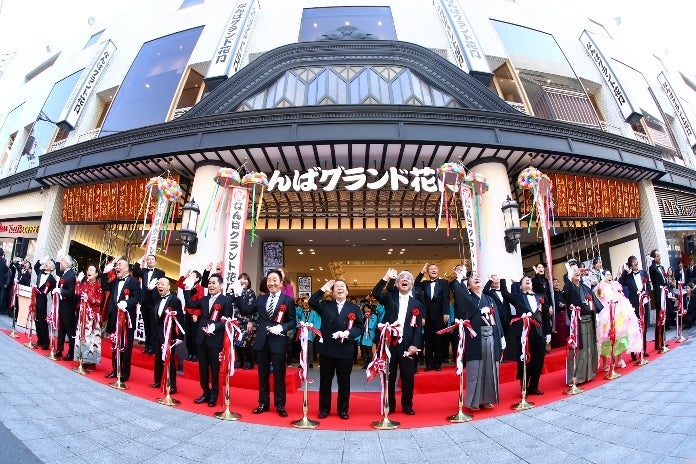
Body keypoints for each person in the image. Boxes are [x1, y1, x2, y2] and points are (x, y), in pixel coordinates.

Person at [235, 269, 296, 417]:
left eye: (275, 280)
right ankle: (263, 403)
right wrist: (237, 294)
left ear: (281, 283)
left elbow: (293, 321)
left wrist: (281, 327)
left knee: (279, 375)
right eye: (269, 280)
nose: (271, 283)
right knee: (262, 375)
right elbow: (245, 310)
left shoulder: (287, 301)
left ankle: (280, 405)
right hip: (261, 341)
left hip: (278, 342)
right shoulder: (261, 299)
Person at [308, 279, 363, 420]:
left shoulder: (354, 308)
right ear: (333, 291)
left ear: (347, 291)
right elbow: (312, 302)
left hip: (345, 350)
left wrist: (348, 334)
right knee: (325, 381)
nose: (339, 288)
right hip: (327, 349)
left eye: (342, 286)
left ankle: (343, 410)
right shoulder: (326, 305)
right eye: (337, 287)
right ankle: (324, 409)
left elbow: (359, 327)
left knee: (344, 382)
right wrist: (323, 288)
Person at [371, 268, 422, 415]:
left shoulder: (417, 304)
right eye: (402, 278)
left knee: (408, 377)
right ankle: (390, 405)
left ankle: (407, 405)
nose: (405, 279)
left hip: (408, 345)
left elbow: (418, 328)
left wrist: (414, 344)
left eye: (408, 278)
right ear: (398, 284)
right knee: (389, 376)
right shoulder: (390, 297)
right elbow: (375, 292)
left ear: (412, 285)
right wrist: (386, 277)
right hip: (389, 343)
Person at [451, 272, 504, 410]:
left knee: (491, 369)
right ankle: (474, 401)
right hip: (475, 337)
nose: (476, 278)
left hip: (492, 336)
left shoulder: (489, 298)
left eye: (478, 277)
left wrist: (502, 336)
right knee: (476, 370)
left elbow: (497, 319)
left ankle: (487, 399)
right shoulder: (467, 298)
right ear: (468, 286)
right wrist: (458, 279)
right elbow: (459, 292)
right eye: (472, 278)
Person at [183, 273, 233, 407]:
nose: (211, 285)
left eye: (214, 283)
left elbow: (227, 321)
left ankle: (214, 395)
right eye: (209, 283)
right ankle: (205, 392)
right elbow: (190, 303)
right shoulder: (204, 299)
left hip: (215, 341)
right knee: (203, 368)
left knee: (215, 369)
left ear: (221, 285)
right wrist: (187, 289)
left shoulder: (226, 301)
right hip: (201, 339)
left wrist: (215, 326)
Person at [500, 275, 550, 395]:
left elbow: (545, 317)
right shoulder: (518, 297)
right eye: (524, 280)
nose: (528, 280)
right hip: (525, 334)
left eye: (529, 280)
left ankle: (534, 386)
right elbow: (505, 293)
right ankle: (524, 388)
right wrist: (502, 279)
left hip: (539, 332)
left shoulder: (540, 297)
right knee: (525, 361)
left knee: (539, 361)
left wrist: (548, 332)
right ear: (521, 286)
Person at [102, 258, 142, 382]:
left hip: (127, 320)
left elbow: (138, 297)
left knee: (126, 346)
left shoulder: (134, 282)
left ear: (126, 268)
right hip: (115, 318)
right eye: (116, 265)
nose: (117, 267)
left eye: (119, 265)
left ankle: (124, 373)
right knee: (115, 345)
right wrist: (105, 272)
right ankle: (115, 370)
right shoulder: (115, 281)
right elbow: (105, 286)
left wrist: (127, 303)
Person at [563, 260, 602, 384]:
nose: (576, 272)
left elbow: (594, 302)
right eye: (573, 270)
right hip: (578, 322)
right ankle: (575, 378)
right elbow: (566, 298)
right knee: (580, 349)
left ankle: (589, 374)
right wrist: (569, 280)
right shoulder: (568, 287)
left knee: (590, 347)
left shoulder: (584, 287)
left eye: (577, 270)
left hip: (589, 320)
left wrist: (597, 313)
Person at [594, 270, 642, 370]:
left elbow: (621, 296)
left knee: (620, 336)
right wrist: (600, 289)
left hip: (618, 313)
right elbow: (600, 297)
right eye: (607, 275)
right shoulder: (600, 286)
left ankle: (619, 359)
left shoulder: (616, 284)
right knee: (605, 338)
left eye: (610, 274)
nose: (609, 276)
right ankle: (605, 363)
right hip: (606, 313)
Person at [150, 277, 184, 394]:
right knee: (158, 357)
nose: (160, 286)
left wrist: (180, 336)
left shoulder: (175, 300)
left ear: (169, 287)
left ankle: (172, 385)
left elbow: (180, 318)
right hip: (159, 332)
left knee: (169, 358)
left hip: (170, 333)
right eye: (158, 284)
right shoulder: (157, 299)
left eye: (163, 284)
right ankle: (158, 381)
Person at [414, 263, 450, 371]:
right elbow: (415, 283)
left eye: (435, 269)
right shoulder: (424, 283)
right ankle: (429, 364)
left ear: (437, 270)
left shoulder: (444, 282)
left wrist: (446, 312)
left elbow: (446, 298)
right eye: (431, 269)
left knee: (439, 340)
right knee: (428, 341)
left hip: (440, 315)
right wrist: (422, 271)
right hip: (427, 316)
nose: (433, 270)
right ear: (428, 272)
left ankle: (437, 364)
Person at [132, 255, 165, 355]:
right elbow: (135, 268)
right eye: (148, 260)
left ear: (156, 262)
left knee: (153, 326)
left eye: (152, 259)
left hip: (155, 302)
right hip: (144, 302)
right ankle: (147, 346)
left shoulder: (160, 273)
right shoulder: (144, 271)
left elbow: (162, 285)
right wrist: (141, 259)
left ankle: (153, 347)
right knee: (146, 325)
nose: (150, 261)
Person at [74, 264, 104, 365]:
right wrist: (78, 281)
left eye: (92, 270)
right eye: (88, 270)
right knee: (81, 335)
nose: (89, 272)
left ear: (96, 274)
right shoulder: (84, 283)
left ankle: (90, 361)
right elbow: (77, 293)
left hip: (92, 316)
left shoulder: (98, 286)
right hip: (82, 314)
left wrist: (89, 298)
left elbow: (99, 301)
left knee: (92, 338)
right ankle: (81, 358)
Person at [54, 255, 78, 361]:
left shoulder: (71, 276)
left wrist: (61, 290)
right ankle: (59, 350)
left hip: (68, 308)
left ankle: (71, 352)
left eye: (62, 262)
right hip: (62, 306)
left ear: (66, 263)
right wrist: (58, 258)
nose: (60, 264)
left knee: (69, 331)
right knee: (61, 330)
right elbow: (57, 270)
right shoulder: (64, 273)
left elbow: (71, 292)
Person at [177, 270, 204, 362]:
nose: (191, 276)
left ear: (197, 279)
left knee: (194, 335)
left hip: (195, 315)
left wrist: (196, 314)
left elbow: (200, 303)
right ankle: (190, 353)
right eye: (191, 275)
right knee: (188, 335)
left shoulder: (200, 288)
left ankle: (195, 354)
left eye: (193, 275)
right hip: (187, 313)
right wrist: (184, 276)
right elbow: (178, 284)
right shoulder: (187, 285)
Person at [233, 272, 257, 370]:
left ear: (248, 282)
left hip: (246, 321)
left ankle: (249, 361)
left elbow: (252, 309)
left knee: (246, 343)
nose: (243, 281)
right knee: (237, 342)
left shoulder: (250, 292)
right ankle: (240, 361)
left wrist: (250, 322)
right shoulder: (235, 292)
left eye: (245, 279)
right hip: (236, 321)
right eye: (241, 279)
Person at [33, 257, 57, 350]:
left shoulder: (52, 280)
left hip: (43, 300)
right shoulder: (40, 272)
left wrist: (54, 306)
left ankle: (45, 342)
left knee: (43, 321)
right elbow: (36, 266)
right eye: (47, 262)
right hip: (35, 299)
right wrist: (41, 260)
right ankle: (39, 340)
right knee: (36, 320)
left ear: (52, 268)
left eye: (50, 263)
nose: (47, 263)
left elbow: (52, 293)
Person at [648, 249, 668, 351]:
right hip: (658, 296)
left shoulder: (662, 267)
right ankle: (657, 343)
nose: (659, 257)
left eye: (659, 255)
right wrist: (652, 260)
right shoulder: (652, 268)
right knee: (658, 319)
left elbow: (664, 280)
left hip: (664, 295)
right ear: (654, 258)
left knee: (664, 318)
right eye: (657, 256)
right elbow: (653, 272)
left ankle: (663, 340)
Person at [295, 297, 319, 369]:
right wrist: (299, 305)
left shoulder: (314, 312)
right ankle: (302, 362)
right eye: (305, 304)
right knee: (302, 348)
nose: (306, 305)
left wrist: (315, 331)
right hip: (302, 331)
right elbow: (296, 312)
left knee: (310, 348)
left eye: (307, 304)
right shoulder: (300, 312)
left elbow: (316, 322)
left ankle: (310, 362)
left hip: (310, 332)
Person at [359, 303, 377, 369]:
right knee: (364, 348)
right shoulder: (362, 316)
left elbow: (371, 326)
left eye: (367, 308)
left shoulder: (374, 316)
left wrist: (368, 318)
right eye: (365, 308)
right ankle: (365, 362)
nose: (366, 309)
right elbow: (360, 324)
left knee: (369, 349)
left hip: (370, 334)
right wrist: (364, 317)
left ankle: (370, 363)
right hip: (363, 334)